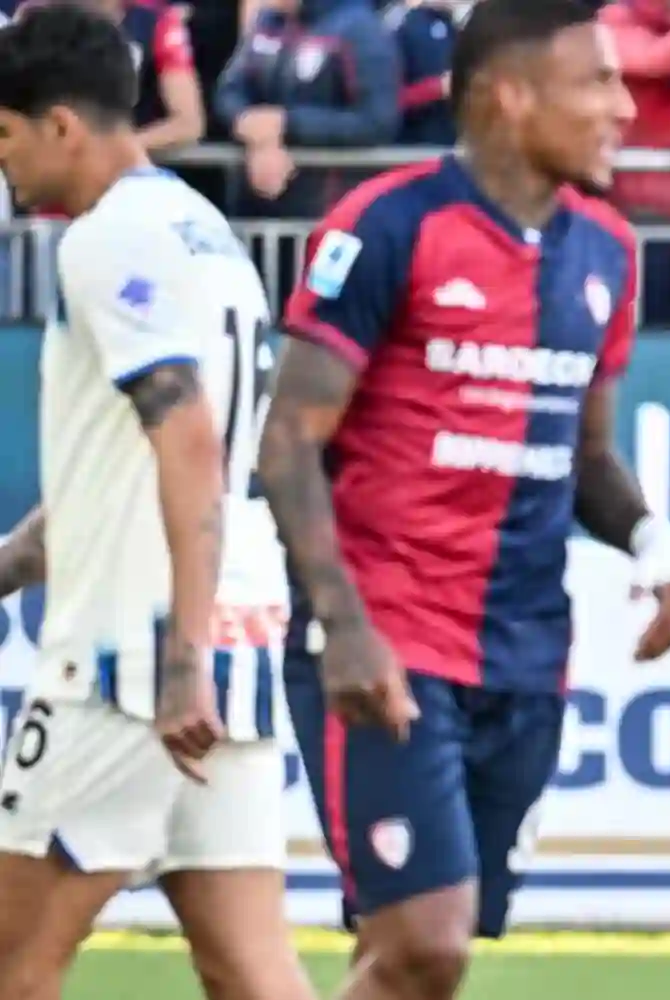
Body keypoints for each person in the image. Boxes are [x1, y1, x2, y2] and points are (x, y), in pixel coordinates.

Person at [256, 0, 670, 996]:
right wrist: (344, 625)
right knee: (426, 944)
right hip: (387, 640)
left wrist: (655, 547)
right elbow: (286, 443)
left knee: (412, 956)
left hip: (525, 656)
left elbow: (588, 454)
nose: (624, 107)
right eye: (598, 81)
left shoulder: (607, 254)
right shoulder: (388, 225)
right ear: (510, 95)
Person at [0, 7, 312, 1000]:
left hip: (132, 663)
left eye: (2, 134)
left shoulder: (105, 241)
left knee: (12, 961)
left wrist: (179, 660)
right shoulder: (200, 230)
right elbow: (154, 462)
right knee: (249, 968)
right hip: (235, 631)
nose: (0, 162)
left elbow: (185, 439)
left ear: (61, 125)